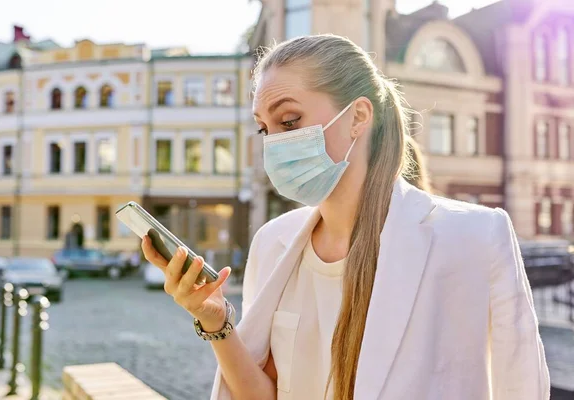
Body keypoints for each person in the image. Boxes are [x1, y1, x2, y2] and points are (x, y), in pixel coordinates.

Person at [142, 34, 549, 400]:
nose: (275, 143)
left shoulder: (473, 235)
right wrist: (215, 322)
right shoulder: (273, 243)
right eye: (265, 129)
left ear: (357, 117)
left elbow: (521, 386)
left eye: (289, 121)